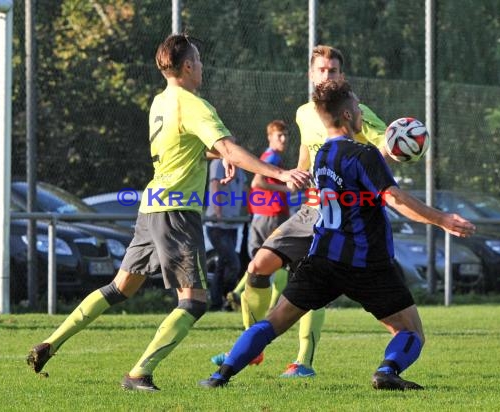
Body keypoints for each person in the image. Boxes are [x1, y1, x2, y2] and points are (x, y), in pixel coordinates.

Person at [25, 33, 310, 392]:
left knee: (119, 287)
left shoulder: (160, 102)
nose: (202, 67)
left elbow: (191, 146)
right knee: (194, 301)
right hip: (177, 212)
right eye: (199, 60)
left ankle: (51, 342)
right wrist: (279, 172)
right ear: (188, 66)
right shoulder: (194, 104)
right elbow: (228, 147)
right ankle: (139, 373)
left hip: (151, 207)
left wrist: (218, 154)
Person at [200, 79, 476, 390]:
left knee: (274, 321)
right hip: (367, 263)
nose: (360, 112)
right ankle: (387, 371)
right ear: (347, 115)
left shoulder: (323, 157)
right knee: (411, 331)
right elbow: (394, 198)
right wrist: (442, 220)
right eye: (357, 107)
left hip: (322, 259)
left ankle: (220, 376)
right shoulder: (365, 155)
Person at [213, 45, 388, 378]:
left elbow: (385, 147)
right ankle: (253, 347)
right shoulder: (304, 113)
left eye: (333, 71)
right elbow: (307, 154)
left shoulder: (356, 111)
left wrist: (395, 144)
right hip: (311, 208)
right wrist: (296, 175)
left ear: (342, 76)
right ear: (311, 74)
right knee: (258, 266)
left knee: (313, 283)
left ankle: (303, 361)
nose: (327, 76)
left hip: (346, 214)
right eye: (321, 70)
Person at [227, 120, 291, 316]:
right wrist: (285, 187)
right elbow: (258, 182)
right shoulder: (271, 157)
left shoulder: (267, 157)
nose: (283, 139)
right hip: (272, 215)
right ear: (269, 137)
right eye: (279, 135)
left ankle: (239, 293)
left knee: (263, 261)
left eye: (286, 135)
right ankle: (271, 307)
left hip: (262, 216)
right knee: (279, 261)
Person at [205, 158, 247, 311]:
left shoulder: (239, 166)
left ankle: (218, 304)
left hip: (232, 224)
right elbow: (215, 185)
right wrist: (218, 212)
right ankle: (228, 298)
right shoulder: (217, 163)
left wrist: (248, 209)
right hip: (217, 225)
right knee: (233, 264)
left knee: (222, 265)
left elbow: (244, 189)